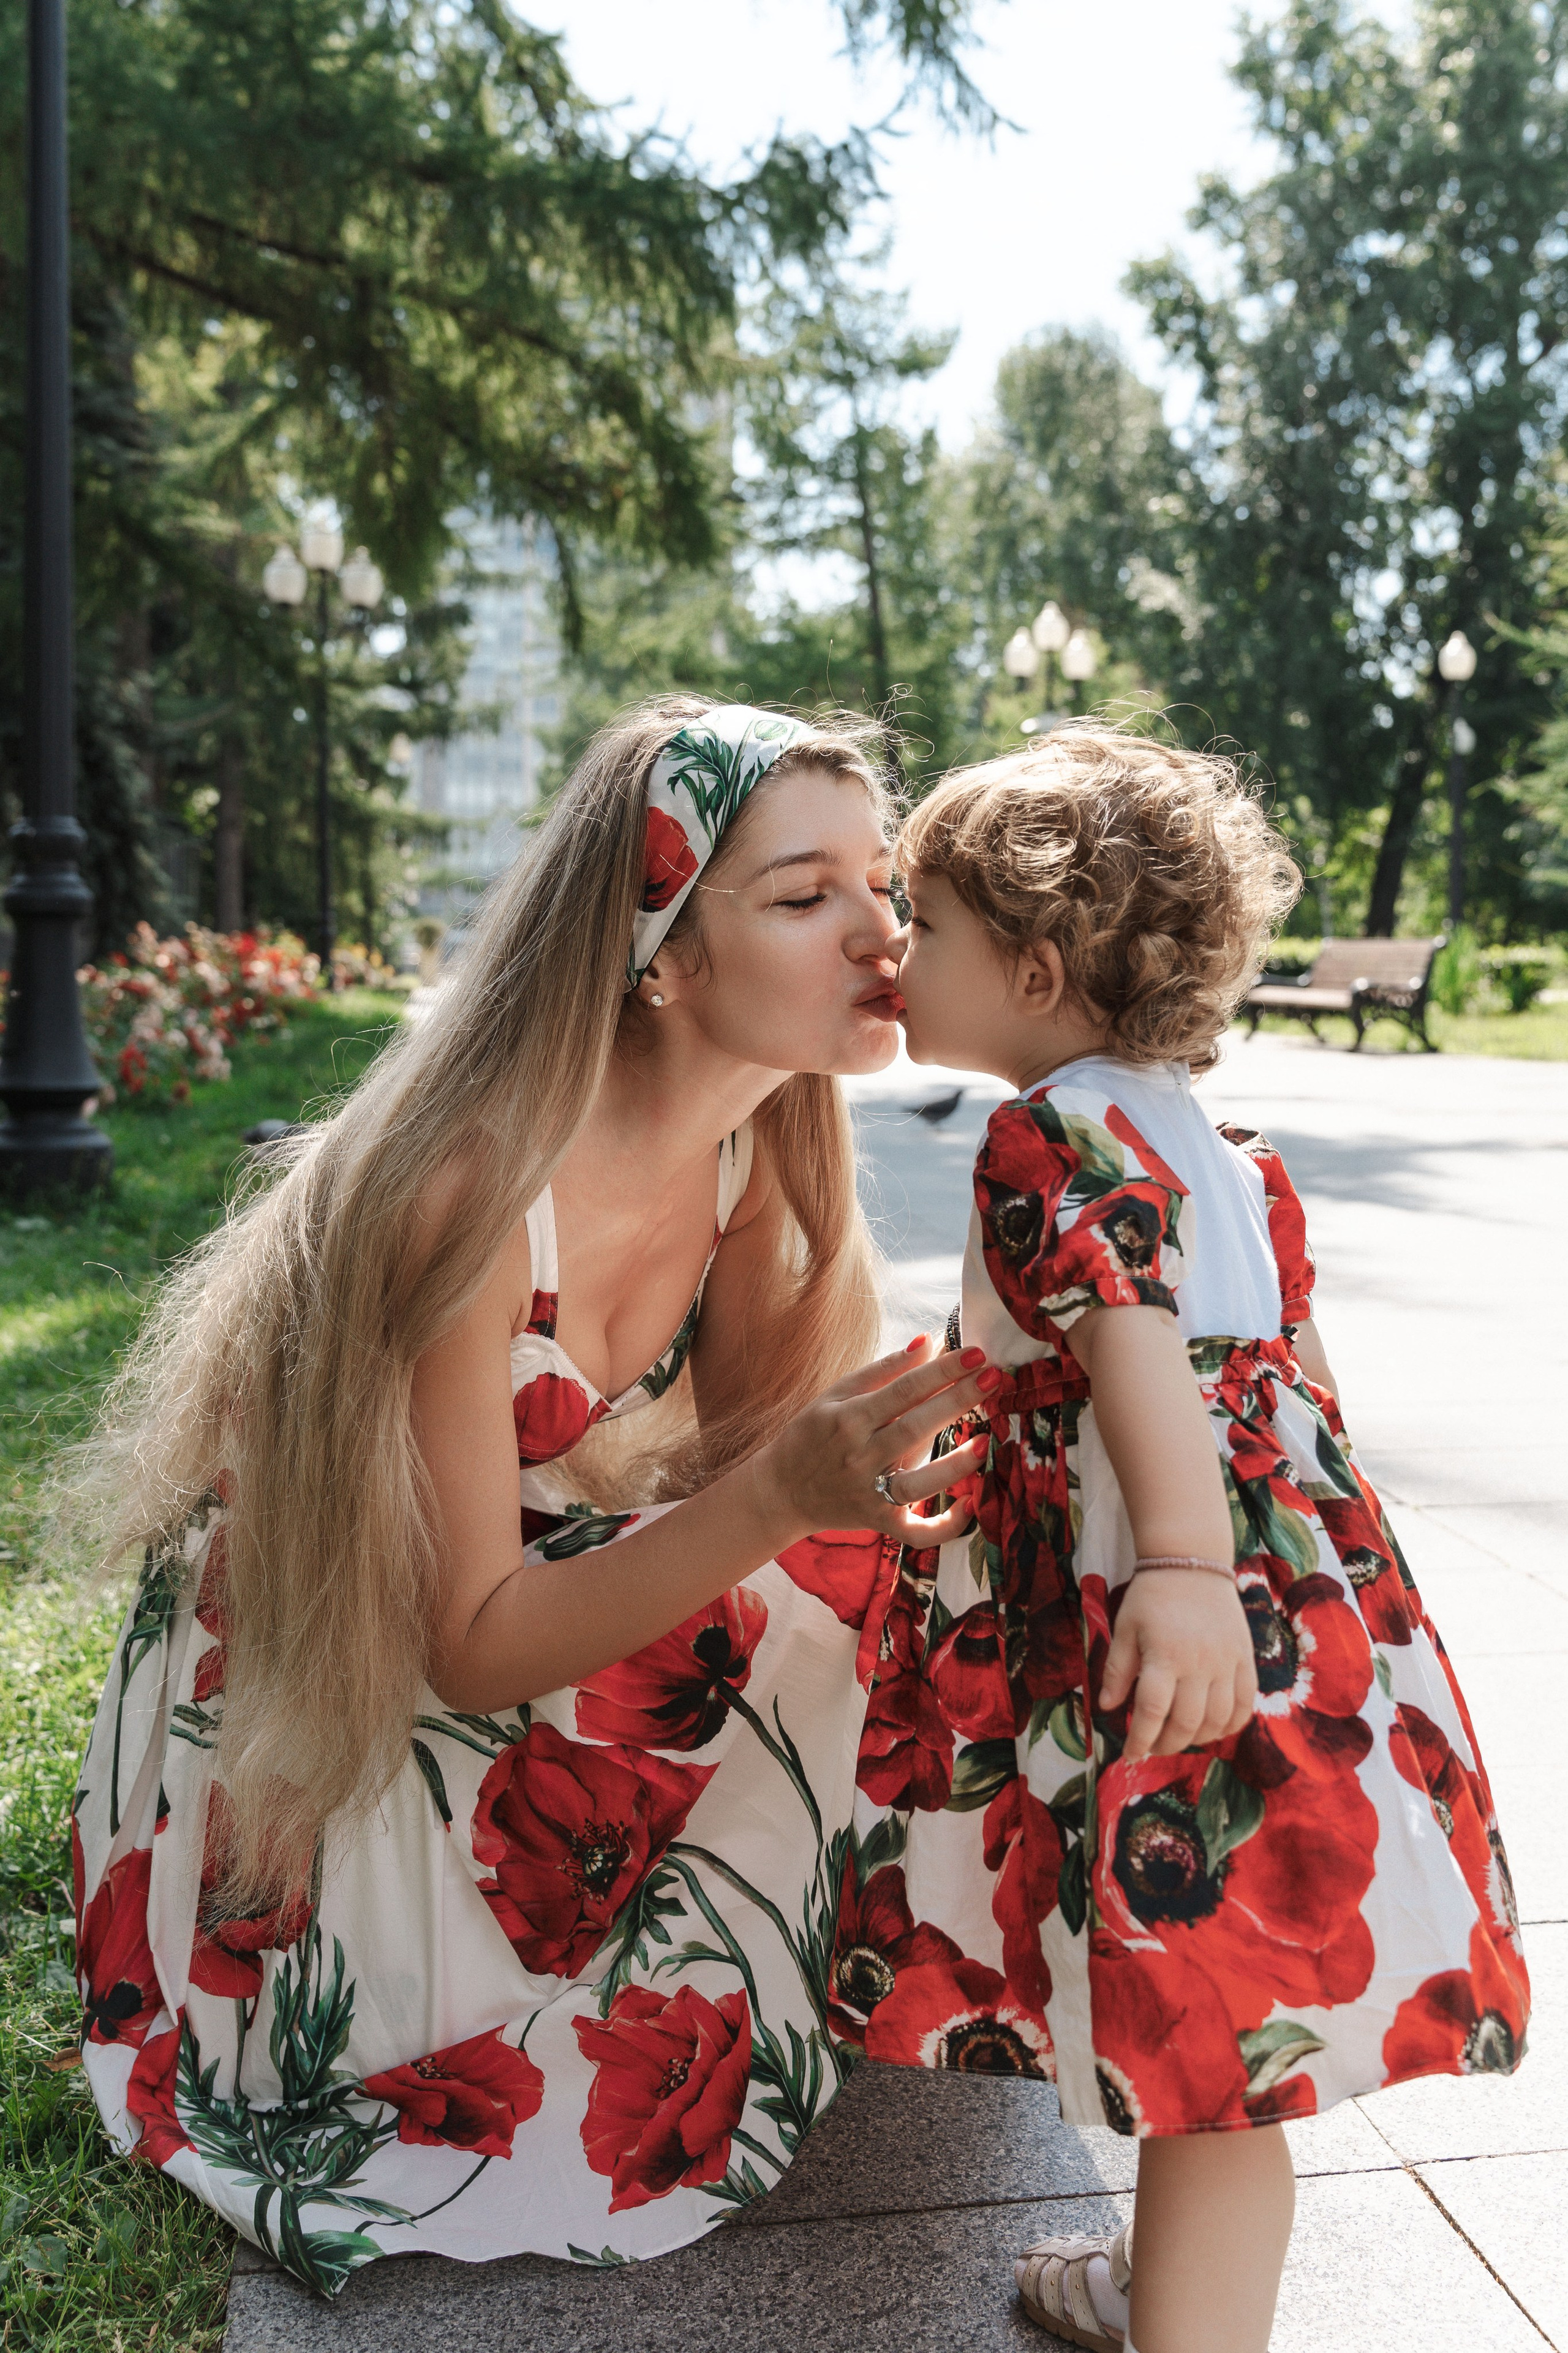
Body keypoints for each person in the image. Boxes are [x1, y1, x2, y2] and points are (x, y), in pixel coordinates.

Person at [69, 698, 997, 2292]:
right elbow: (471, 1642)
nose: (878, 930)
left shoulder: (763, 1156)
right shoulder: (472, 1184)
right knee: (814, 1573)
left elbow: (748, 1508)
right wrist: (787, 1494)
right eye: (804, 894)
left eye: (883, 879)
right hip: (317, 1734)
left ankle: (934, 1970)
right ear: (664, 958)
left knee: (909, 1582)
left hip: (490, 1660)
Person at [872, 726, 1529, 2353]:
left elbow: (1141, 1358)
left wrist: (1176, 1560)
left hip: (1168, 1627)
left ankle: (1188, 2327)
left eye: (922, 922)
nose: (895, 951)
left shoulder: (1049, 1139)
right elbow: (1292, 1394)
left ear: (1030, 966)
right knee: (1220, 2052)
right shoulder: (1230, 1162)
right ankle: (1163, 2295)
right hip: (1295, 1611)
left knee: (1201, 2035)